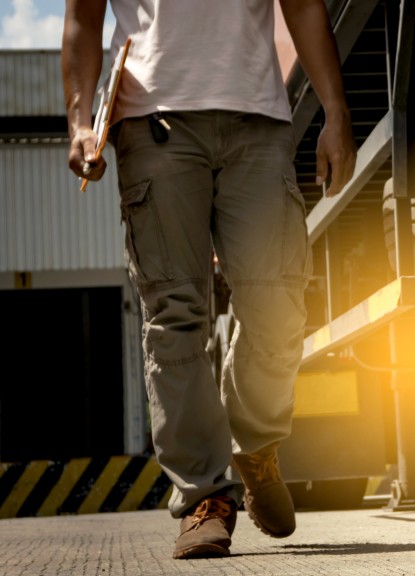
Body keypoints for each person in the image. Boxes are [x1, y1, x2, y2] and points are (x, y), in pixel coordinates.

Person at [61, 0, 356, 560]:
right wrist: (79, 121)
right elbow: (82, 16)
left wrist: (335, 110)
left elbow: (301, 5)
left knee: (279, 302)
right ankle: (203, 494)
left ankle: (256, 441)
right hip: (153, 120)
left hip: (259, 118)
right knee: (176, 313)